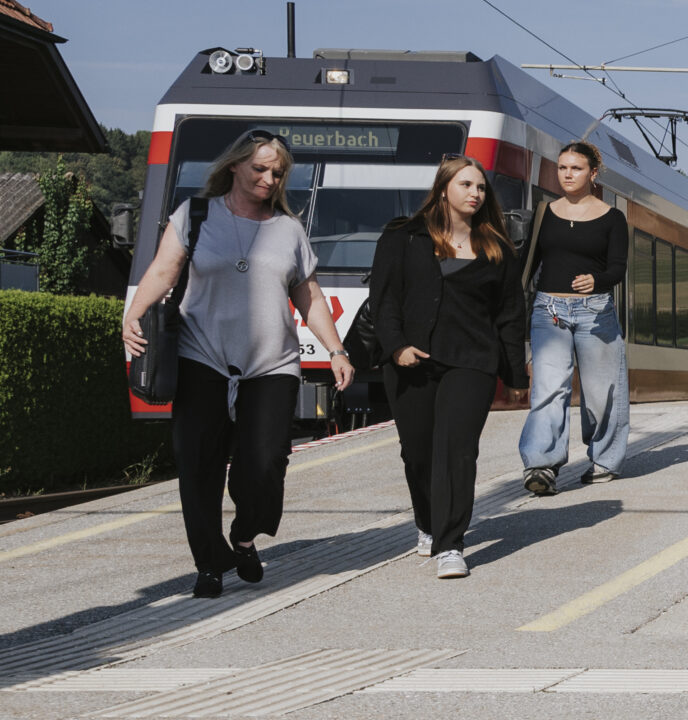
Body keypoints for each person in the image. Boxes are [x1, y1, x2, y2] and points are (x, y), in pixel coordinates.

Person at [121, 129, 354, 598]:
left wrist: (336, 350)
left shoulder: (288, 229)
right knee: (198, 464)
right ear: (235, 166)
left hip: (271, 363)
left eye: (278, 172)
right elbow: (164, 270)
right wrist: (132, 315)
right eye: (260, 169)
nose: (270, 178)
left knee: (265, 462)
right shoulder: (195, 214)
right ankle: (209, 565)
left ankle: (245, 536)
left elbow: (307, 295)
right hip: (201, 354)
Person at [370, 157, 527, 577]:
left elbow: (510, 315)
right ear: (443, 190)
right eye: (466, 185)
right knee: (417, 453)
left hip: (471, 362)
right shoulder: (402, 237)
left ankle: (451, 544)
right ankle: (427, 523)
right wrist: (397, 346)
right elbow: (384, 300)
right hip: (410, 363)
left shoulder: (497, 247)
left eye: (481, 187)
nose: (476, 193)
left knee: (457, 451)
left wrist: (515, 376)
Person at [517, 140, 630, 494]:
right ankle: (541, 465)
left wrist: (598, 280)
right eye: (562, 167)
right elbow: (529, 267)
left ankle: (604, 459)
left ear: (592, 174)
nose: (567, 174)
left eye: (576, 168)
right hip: (549, 311)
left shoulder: (612, 218)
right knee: (549, 389)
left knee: (601, 393)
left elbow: (618, 269)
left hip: (595, 312)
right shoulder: (544, 214)